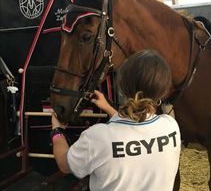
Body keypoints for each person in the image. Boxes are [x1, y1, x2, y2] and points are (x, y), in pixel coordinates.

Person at [51, 49, 181, 191]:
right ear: (163, 90)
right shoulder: (170, 126)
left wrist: (57, 131)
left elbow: (65, 164)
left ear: (122, 85)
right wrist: (107, 107)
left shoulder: (97, 137)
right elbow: (134, 131)